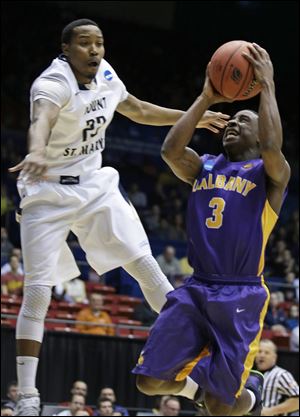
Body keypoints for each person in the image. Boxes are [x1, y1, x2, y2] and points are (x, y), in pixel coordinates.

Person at [9, 18, 228, 416]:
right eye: (85, 44)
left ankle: (206, 358)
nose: (94, 50)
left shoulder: (107, 74)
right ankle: (27, 396)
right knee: (38, 292)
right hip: (48, 188)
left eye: (100, 43)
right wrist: (36, 150)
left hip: (95, 184)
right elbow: (41, 117)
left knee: (146, 266)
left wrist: (193, 117)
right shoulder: (52, 83)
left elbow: (138, 109)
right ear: (65, 48)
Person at [132, 42, 291, 417]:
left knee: (223, 407)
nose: (233, 123)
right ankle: (197, 386)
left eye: (244, 121)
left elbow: (272, 144)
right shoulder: (204, 166)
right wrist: (206, 97)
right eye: (231, 121)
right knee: (149, 381)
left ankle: (248, 393)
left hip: (241, 293)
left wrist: (266, 85)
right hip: (197, 286)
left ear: (258, 135)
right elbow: (170, 151)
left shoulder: (270, 176)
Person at [255, 339, 299, 415]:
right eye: (259, 351)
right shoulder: (250, 374)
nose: (262, 355)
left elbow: (297, 400)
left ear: (274, 357)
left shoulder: (281, 375)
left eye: (267, 352)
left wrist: (271, 411)